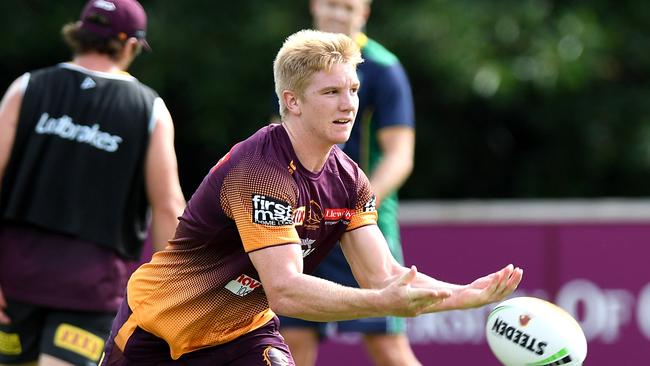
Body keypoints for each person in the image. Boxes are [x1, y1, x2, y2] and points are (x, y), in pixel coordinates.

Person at [99, 29, 522, 366]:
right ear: (291, 101)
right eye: (331, 92)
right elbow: (286, 290)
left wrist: (465, 295)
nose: (349, 104)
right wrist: (381, 303)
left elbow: (383, 275)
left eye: (354, 90)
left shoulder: (351, 179)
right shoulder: (260, 171)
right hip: (155, 334)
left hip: (242, 336)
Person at [0, 0, 186, 365]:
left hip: (14, 278)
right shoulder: (149, 109)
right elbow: (168, 207)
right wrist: (172, 299)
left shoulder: (27, 88)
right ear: (131, 45)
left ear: (80, 33)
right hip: (91, 289)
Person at [278, 1, 419, 365]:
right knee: (292, 340)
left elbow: (400, 155)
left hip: (360, 223)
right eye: (331, 3)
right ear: (314, 5)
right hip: (302, 220)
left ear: (365, 12)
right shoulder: (295, 62)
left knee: (385, 345)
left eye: (348, 5)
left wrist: (354, 208)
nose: (338, 13)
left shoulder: (384, 69)